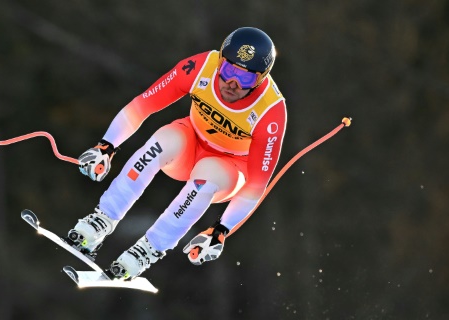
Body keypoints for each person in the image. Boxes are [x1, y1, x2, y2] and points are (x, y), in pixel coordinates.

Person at [67, 27, 287, 280]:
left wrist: (221, 230)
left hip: (230, 167)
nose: (232, 83)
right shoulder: (200, 67)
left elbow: (257, 185)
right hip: (190, 142)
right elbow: (142, 105)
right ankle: (101, 220)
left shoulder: (270, 111)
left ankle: (148, 250)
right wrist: (106, 145)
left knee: (208, 175)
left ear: (260, 79)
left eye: (245, 79)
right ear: (220, 61)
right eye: (228, 70)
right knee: (162, 140)